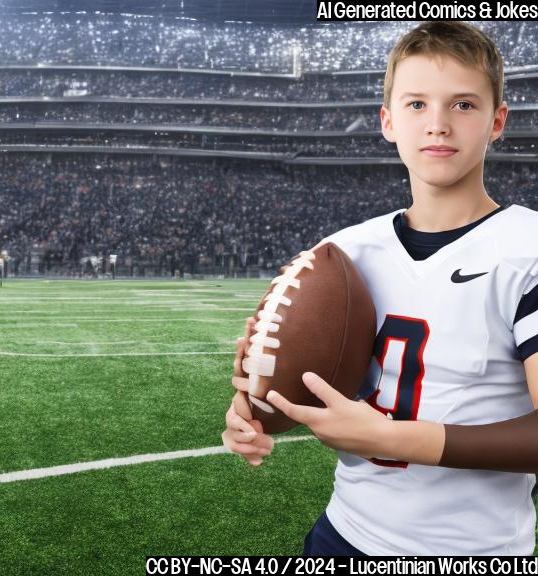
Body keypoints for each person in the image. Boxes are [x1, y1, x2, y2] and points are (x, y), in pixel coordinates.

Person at [223, 21, 538, 555]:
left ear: (497, 121)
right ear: (388, 121)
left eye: (462, 105)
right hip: (341, 534)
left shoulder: (525, 248)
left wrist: (391, 438)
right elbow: (307, 366)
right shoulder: (345, 252)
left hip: (468, 552)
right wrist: (252, 408)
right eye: (417, 105)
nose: (437, 124)